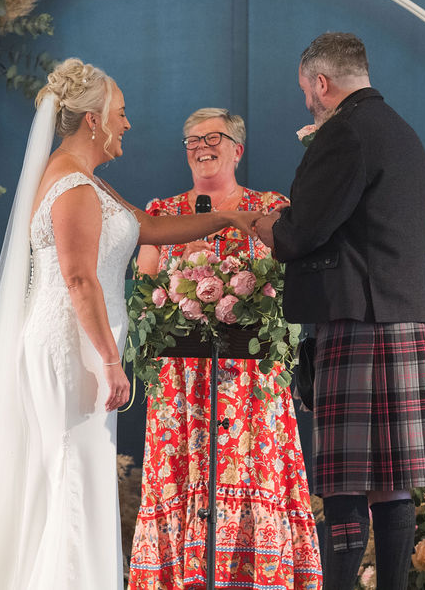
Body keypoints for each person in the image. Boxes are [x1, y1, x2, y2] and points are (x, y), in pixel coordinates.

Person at [0, 60, 259, 590]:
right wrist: (111, 361)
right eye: (121, 113)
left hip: (81, 346)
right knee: (74, 473)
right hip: (73, 349)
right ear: (94, 119)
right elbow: (78, 280)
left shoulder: (86, 180)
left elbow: (151, 227)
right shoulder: (72, 184)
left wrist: (230, 219)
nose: (128, 124)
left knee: (76, 474)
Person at [255, 33, 425, 590]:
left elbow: (301, 234)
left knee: (345, 482)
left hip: (362, 323)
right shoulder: (403, 132)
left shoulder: (344, 132)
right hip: (406, 317)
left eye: (305, 91)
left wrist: (263, 224)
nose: (306, 104)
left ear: (322, 82)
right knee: (393, 482)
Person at [128, 109, 322, 590]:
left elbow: (293, 284)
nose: (200, 145)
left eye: (213, 136)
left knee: (257, 473)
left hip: (252, 386)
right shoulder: (162, 213)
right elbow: (141, 291)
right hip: (180, 386)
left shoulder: (270, 206)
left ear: (238, 148)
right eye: (191, 139)